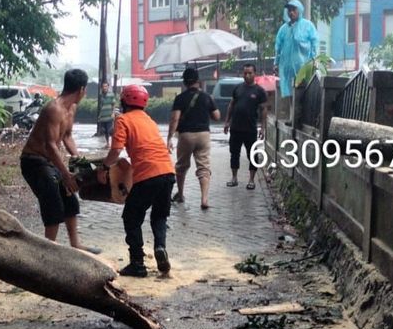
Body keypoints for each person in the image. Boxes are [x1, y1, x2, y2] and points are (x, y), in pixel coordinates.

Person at [20, 69, 101, 253]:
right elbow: (50, 145)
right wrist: (65, 174)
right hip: (33, 161)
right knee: (53, 205)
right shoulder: (53, 109)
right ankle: (49, 251)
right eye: (85, 90)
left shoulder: (71, 108)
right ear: (81, 89)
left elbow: (67, 137)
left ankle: (75, 244)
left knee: (70, 201)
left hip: (49, 161)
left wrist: (81, 163)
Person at [101, 85, 176, 277]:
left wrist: (104, 167)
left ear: (124, 101)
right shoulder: (149, 120)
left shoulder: (123, 120)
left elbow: (116, 151)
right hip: (168, 172)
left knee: (131, 217)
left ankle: (137, 263)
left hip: (148, 175)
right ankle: (160, 247)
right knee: (159, 216)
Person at [168, 67, 220, 210]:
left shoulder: (180, 98)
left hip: (186, 136)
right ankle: (204, 199)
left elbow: (175, 119)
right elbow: (217, 116)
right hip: (203, 135)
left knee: (181, 166)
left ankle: (181, 194)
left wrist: (169, 138)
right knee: (203, 167)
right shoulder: (206, 97)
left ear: (184, 82)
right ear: (198, 81)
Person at [224, 63, 268, 190]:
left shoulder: (259, 91)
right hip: (235, 128)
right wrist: (227, 122)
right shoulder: (237, 88)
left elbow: (264, 110)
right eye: (245, 73)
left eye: (250, 73)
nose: (247, 75)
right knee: (234, 153)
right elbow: (231, 105)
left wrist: (263, 128)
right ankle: (234, 178)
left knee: (252, 155)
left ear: (255, 74)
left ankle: (251, 180)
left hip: (250, 129)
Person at [274, 0, 317, 99]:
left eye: (294, 9)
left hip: (303, 67)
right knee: (291, 97)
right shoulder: (283, 29)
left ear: (300, 10)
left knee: (304, 96)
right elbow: (278, 47)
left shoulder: (308, 26)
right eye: (289, 10)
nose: (291, 12)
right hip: (287, 69)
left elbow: (314, 43)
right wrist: (276, 63)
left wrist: (314, 60)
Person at [96, 81, 116, 146]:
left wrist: (113, 113)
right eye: (103, 86)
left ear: (108, 87)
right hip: (103, 116)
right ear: (102, 87)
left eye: (106, 86)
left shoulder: (111, 94)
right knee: (104, 131)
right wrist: (99, 116)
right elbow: (100, 106)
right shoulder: (101, 95)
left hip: (109, 115)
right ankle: (107, 143)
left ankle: (113, 143)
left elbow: (113, 104)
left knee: (109, 130)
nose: (104, 88)